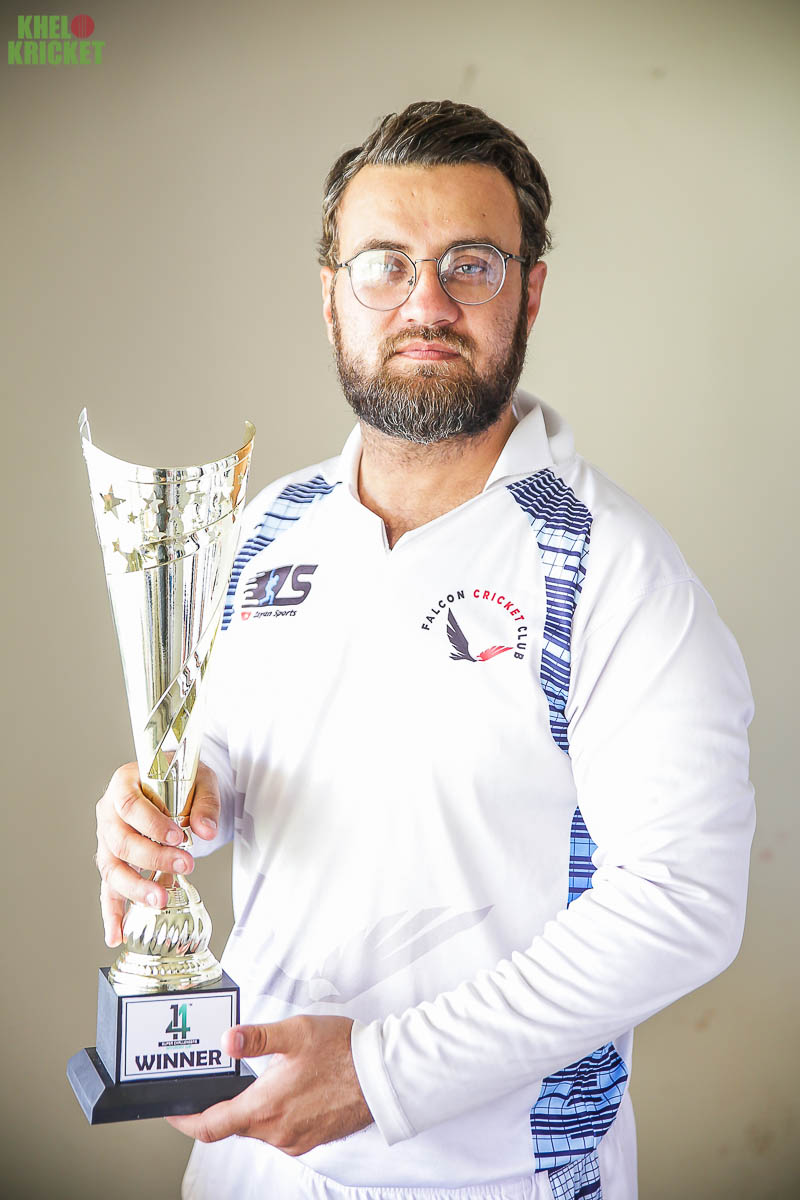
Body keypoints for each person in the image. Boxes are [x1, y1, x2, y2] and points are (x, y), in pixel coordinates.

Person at [94, 100, 755, 1200]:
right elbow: (227, 772)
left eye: (470, 265)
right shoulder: (266, 529)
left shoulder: (611, 568)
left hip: (495, 1177)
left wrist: (381, 1074)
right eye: (385, 264)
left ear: (529, 293)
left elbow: (682, 899)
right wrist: (164, 809)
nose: (426, 303)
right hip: (244, 1158)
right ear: (330, 294)